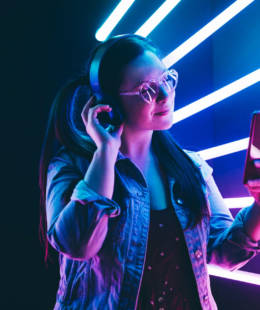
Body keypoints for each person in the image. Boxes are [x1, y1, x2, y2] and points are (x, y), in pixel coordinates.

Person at [38, 34, 260, 310]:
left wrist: (259, 204)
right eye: (147, 89)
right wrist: (106, 151)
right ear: (109, 102)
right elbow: (77, 245)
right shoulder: (73, 165)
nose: (166, 95)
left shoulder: (191, 167)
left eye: (167, 79)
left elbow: (225, 252)